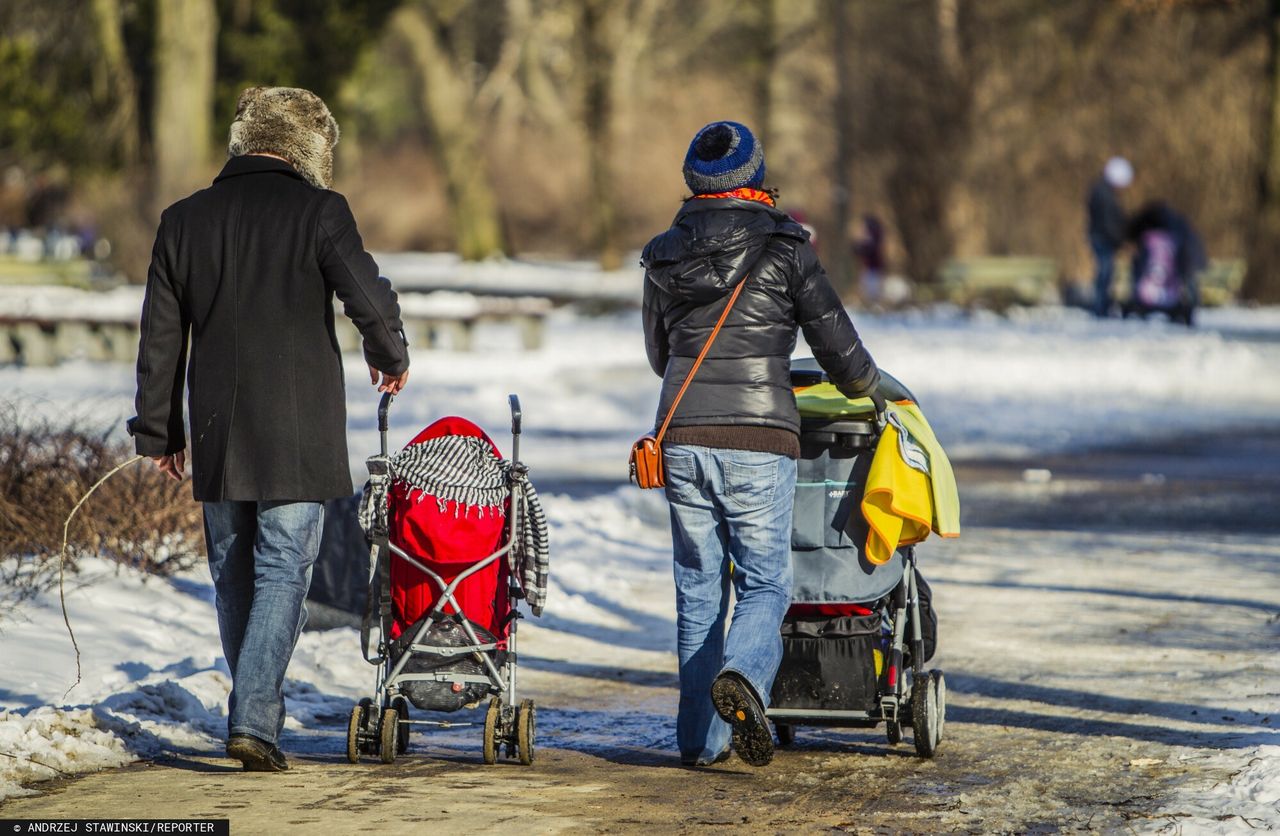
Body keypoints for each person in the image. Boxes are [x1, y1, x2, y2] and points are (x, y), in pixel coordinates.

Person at [129, 86, 410, 772]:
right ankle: (254, 718)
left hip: (220, 428)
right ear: (310, 148)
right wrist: (390, 355)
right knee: (284, 566)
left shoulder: (184, 219)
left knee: (233, 570)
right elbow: (367, 295)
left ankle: (252, 710)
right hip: (297, 426)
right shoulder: (320, 211)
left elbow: (161, 336)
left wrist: (160, 429)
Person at [641, 121, 880, 768]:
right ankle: (745, 673)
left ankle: (700, 741)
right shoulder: (786, 246)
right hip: (759, 436)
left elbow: (659, 354)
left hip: (684, 437)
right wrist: (864, 385)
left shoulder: (663, 253)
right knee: (765, 583)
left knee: (697, 589)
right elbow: (837, 343)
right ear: (754, 173)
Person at [1124, 201, 1206, 326]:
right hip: (1171, 283)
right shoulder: (1176, 229)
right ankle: (1189, 310)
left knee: (1187, 281)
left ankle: (1190, 310)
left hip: (1180, 268)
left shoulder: (1167, 232)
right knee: (1185, 281)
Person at [1086, 156, 1133, 317]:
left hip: (1101, 237)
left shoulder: (1102, 191)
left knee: (1106, 272)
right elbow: (1108, 221)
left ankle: (1102, 306)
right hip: (1103, 238)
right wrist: (1119, 240)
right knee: (1105, 272)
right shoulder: (1104, 194)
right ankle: (1100, 307)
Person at [853, 214, 886, 306]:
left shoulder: (872, 238)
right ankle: (871, 305)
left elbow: (866, 251)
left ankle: (873, 306)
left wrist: (860, 246)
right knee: (868, 291)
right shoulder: (873, 237)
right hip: (869, 268)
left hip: (872, 269)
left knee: (872, 292)